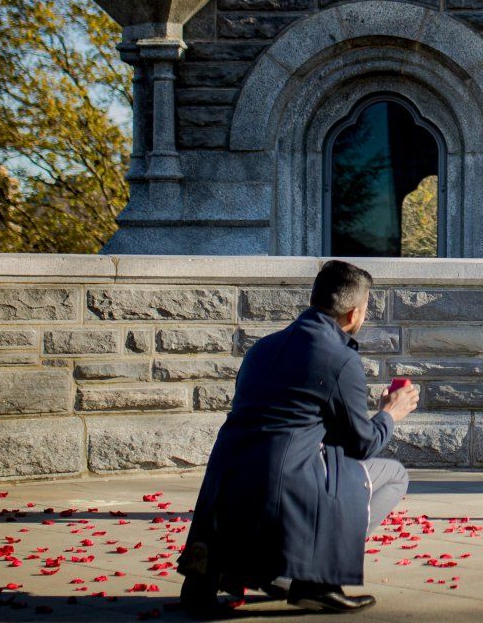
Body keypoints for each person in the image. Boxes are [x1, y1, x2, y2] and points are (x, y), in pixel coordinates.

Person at [179, 259, 420, 616]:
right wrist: (390, 413)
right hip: (283, 485)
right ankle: (315, 580)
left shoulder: (263, 348)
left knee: (308, 460)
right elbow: (362, 443)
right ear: (354, 313)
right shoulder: (340, 358)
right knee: (394, 474)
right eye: (367, 307)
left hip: (224, 483)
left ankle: (206, 582)